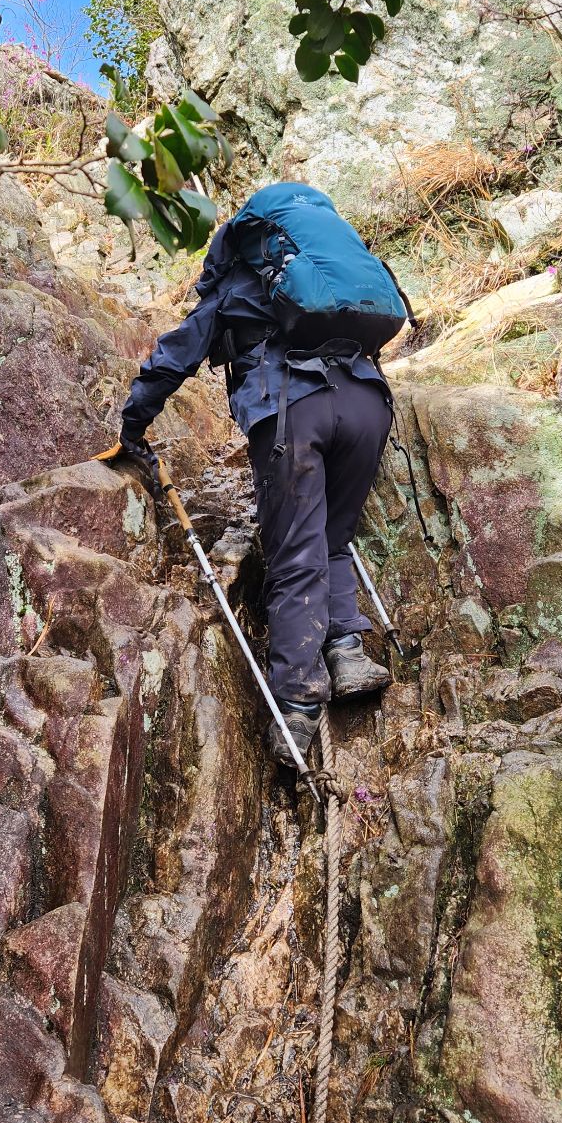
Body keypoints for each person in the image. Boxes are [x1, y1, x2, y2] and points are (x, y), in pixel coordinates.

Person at [118, 185, 398, 764]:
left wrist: (133, 423)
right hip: (368, 404)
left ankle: (297, 706)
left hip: (297, 409)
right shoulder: (328, 279)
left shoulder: (239, 284)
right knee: (333, 537)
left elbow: (176, 356)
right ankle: (346, 650)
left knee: (294, 553)